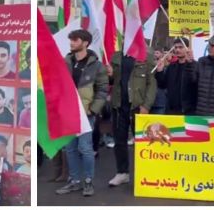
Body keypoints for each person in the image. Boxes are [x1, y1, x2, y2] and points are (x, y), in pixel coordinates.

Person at [56, 29, 107, 198]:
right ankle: (75, 181)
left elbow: (102, 89)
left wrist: (93, 109)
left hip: (86, 113)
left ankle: (87, 181)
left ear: (85, 43)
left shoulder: (96, 66)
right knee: (70, 148)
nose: (71, 42)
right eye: (71, 39)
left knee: (84, 148)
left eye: (75, 40)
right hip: (68, 112)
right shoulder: (66, 62)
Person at [108, 49, 157, 187]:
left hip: (138, 106)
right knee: (119, 141)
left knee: (145, 142)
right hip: (119, 105)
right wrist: (110, 75)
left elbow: (151, 84)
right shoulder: (116, 56)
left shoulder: (147, 56)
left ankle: (146, 174)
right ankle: (122, 173)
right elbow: (112, 80)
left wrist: (146, 105)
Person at [155, 37, 198, 115]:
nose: (177, 50)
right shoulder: (171, 66)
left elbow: (195, 82)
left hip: (188, 110)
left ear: (187, 48)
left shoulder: (195, 66)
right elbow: (162, 85)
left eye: (181, 47)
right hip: (171, 110)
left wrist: (190, 63)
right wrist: (160, 71)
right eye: (175, 47)